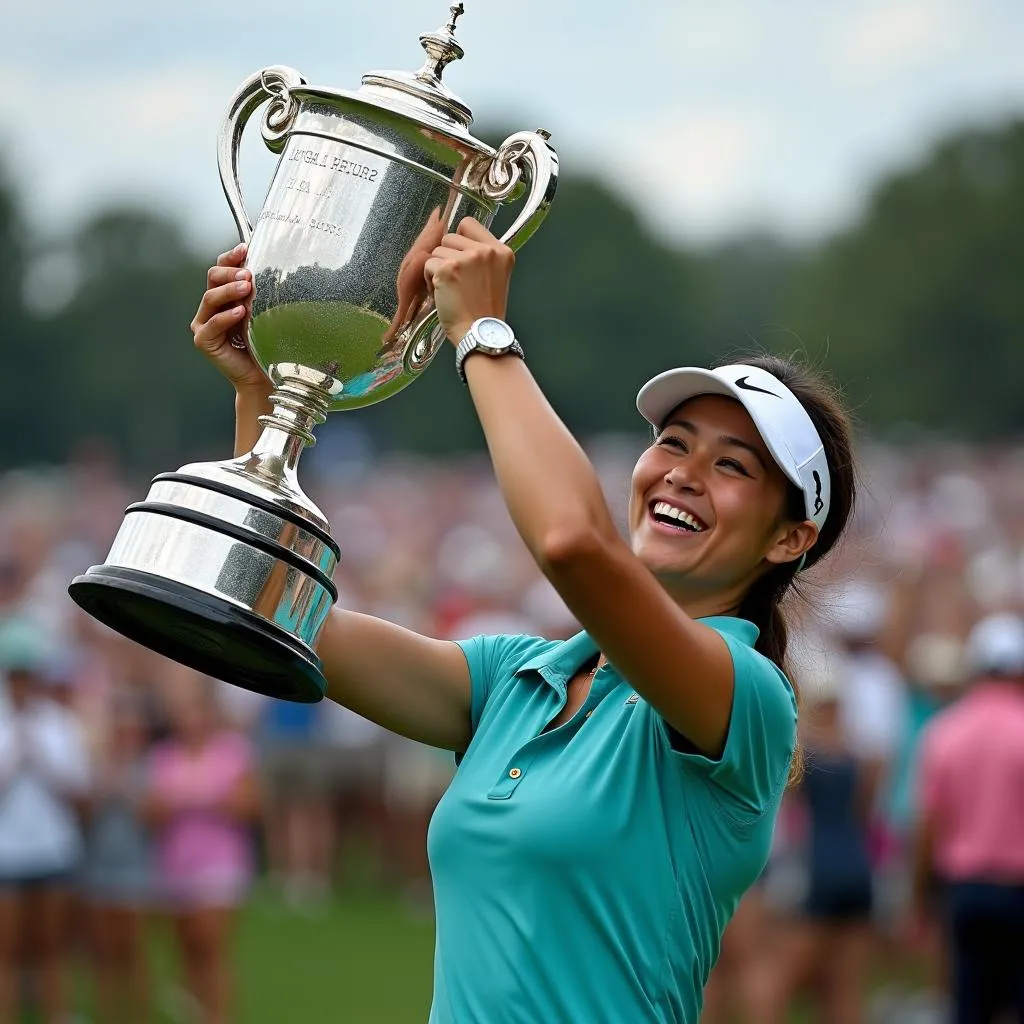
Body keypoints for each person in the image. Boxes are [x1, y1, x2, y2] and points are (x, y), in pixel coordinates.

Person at [190, 224, 856, 1022]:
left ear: (790, 539)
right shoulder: (515, 677)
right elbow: (282, 613)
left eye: (732, 465)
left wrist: (483, 332)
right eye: (674, 443)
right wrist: (265, 401)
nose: (683, 472)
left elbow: (574, 544)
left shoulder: (748, 696)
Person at [913, 612, 1024, 1024]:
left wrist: (919, 898)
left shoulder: (944, 731)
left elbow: (929, 823)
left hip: (967, 892)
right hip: (1018, 889)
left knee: (969, 1007)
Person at [758, 652, 878, 1024]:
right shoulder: (860, 751)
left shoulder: (802, 750)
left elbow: (784, 809)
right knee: (844, 985)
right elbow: (865, 810)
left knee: (778, 980)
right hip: (858, 866)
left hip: (819, 867)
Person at [145, 665, 261, 1024]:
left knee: (211, 946)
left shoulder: (233, 751)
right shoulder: (163, 755)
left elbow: (249, 806)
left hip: (220, 862)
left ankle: (218, 1016)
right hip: (176, 863)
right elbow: (151, 812)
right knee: (187, 949)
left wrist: (199, 798)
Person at [0, 616, 91, 1024]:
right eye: (15, 675)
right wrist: (15, 759)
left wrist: (43, 758)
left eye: (27, 674)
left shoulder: (58, 723)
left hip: (54, 848)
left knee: (52, 945)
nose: (21, 683)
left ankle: (57, 1013)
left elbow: (79, 793)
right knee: (8, 950)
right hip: (7, 854)